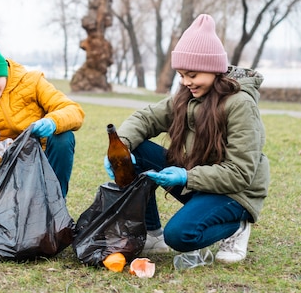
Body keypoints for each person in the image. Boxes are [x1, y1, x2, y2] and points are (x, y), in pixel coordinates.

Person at [104, 14, 270, 267]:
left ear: (214, 69)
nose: (185, 81)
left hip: (235, 192)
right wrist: (121, 147)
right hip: (197, 177)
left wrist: (186, 177)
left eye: (192, 74)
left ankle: (236, 227)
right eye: (181, 74)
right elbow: (146, 117)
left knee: (180, 236)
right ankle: (151, 233)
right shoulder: (186, 95)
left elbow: (240, 173)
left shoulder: (240, 105)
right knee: (135, 148)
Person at [0, 34, 85, 211]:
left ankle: (55, 207)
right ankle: (21, 211)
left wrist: (52, 122)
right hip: (11, 168)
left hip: (44, 161)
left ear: (3, 69)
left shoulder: (32, 82)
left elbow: (74, 111)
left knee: (63, 137)